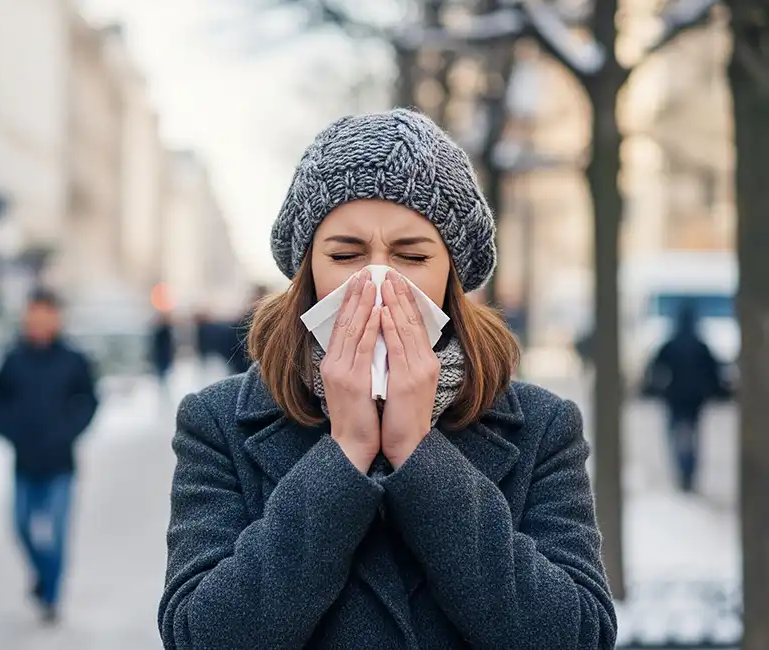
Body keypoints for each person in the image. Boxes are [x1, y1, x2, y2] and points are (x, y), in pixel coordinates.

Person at [158, 109, 616, 649]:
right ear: (308, 271)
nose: (378, 281)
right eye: (346, 255)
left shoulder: (541, 427)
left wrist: (419, 455)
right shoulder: (218, 423)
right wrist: (345, 454)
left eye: (413, 255)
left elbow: (577, 636)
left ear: (451, 275)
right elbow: (199, 636)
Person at [0, 288, 98, 624]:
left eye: (43, 314)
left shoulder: (73, 359)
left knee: (55, 533)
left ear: (56, 317)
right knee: (21, 526)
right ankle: (42, 576)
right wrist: (12, 432)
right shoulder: (12, 358)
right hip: (24, 461)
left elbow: (89, 400)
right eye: (31, 314)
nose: (36, 321)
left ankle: (51, 596)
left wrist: (68, 430)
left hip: (60, 464)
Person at [642, 302, 730, 492]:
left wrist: (652, 388)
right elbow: (715, 372)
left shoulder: (670, 344)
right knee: (692, 436)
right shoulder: (701, 345)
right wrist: (719, 391)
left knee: (677, 436)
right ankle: (688, 473)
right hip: (694, 400)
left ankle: (683, 472)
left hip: (675, 398)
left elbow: (654, 369)